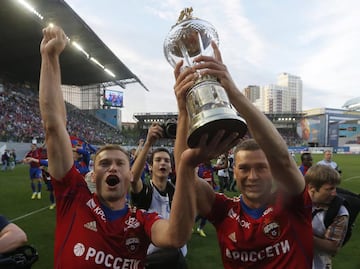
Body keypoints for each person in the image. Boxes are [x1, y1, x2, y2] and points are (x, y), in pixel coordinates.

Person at [39, 25, 232, 268]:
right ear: (93, 173)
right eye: (104, 163)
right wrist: (50, 56)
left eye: (120, 163)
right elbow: (54, 126)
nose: (112, 168)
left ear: (129, 174)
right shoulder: (74, 198)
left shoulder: (141, 220)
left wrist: (185, 165)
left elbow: (176, 237)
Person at [173, 41, 313, 268]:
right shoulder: (224, 210)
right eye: (244, 168)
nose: (253, 176)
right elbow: (185, 177)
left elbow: (283, 160)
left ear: (272, 172)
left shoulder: (291, 203)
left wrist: (234, 94)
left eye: (261, 167)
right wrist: (183, 110)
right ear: (234, 173)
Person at [130, 123, 187, 268]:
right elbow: (133, 178)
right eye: (158, 160)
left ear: (171, 167)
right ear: (150, 166)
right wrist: (148, 143)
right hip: (151, 257)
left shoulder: (176, 190)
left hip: (177, 256)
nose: (163, 163)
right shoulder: (146, 190)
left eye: (167, 160)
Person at [305, 164, 349, 269]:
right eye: (329, 189)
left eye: (335, 188)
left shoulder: (339, 212)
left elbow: (333, 247)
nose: (334, 193)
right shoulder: (294, 201)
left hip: (317, 264)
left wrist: (303, 234)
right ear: (312, 188)